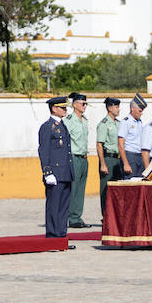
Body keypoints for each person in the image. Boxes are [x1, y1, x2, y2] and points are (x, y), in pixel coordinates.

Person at [39, 96, 73, 238]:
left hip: (65, 172)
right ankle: (53, 235)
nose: (65, 110)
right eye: (62, 107)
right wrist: (47, 172)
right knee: (54, 206)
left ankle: (61, 235)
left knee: (63, 207)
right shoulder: (48, 127)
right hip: (55, 173)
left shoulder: (62, 125)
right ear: (54, 109)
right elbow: (44, 151)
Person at [63, 93, 90, 228]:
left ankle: (77, 216)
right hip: (74, 158)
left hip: (84, 158)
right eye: (82, 103)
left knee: (80, 189)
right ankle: (71, 218)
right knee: (73, 189)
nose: (85, 106)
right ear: (75, 104)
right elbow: (65, 141)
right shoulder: (69, 120)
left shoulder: (84, 120)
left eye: (86, 104)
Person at [95, 96, 122, 219]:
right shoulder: (104, 124)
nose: (118, 109)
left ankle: (115, 216)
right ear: (109, 108)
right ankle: (106, 216)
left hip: (118, 159)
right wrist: (103, 163)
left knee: (117, 189)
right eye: (116, 107)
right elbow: (99, 145)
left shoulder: (119, 123)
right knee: (106, 189)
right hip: (108, 159)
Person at [116, 93, 147, 177]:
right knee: (130, 182)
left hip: (139, 156)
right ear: (132, 108)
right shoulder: (125, 122)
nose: (141, 113)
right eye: (139, 111)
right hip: (130, 156)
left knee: (140, 181)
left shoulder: (139, 122)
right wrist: (126, 163)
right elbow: (121, 145)